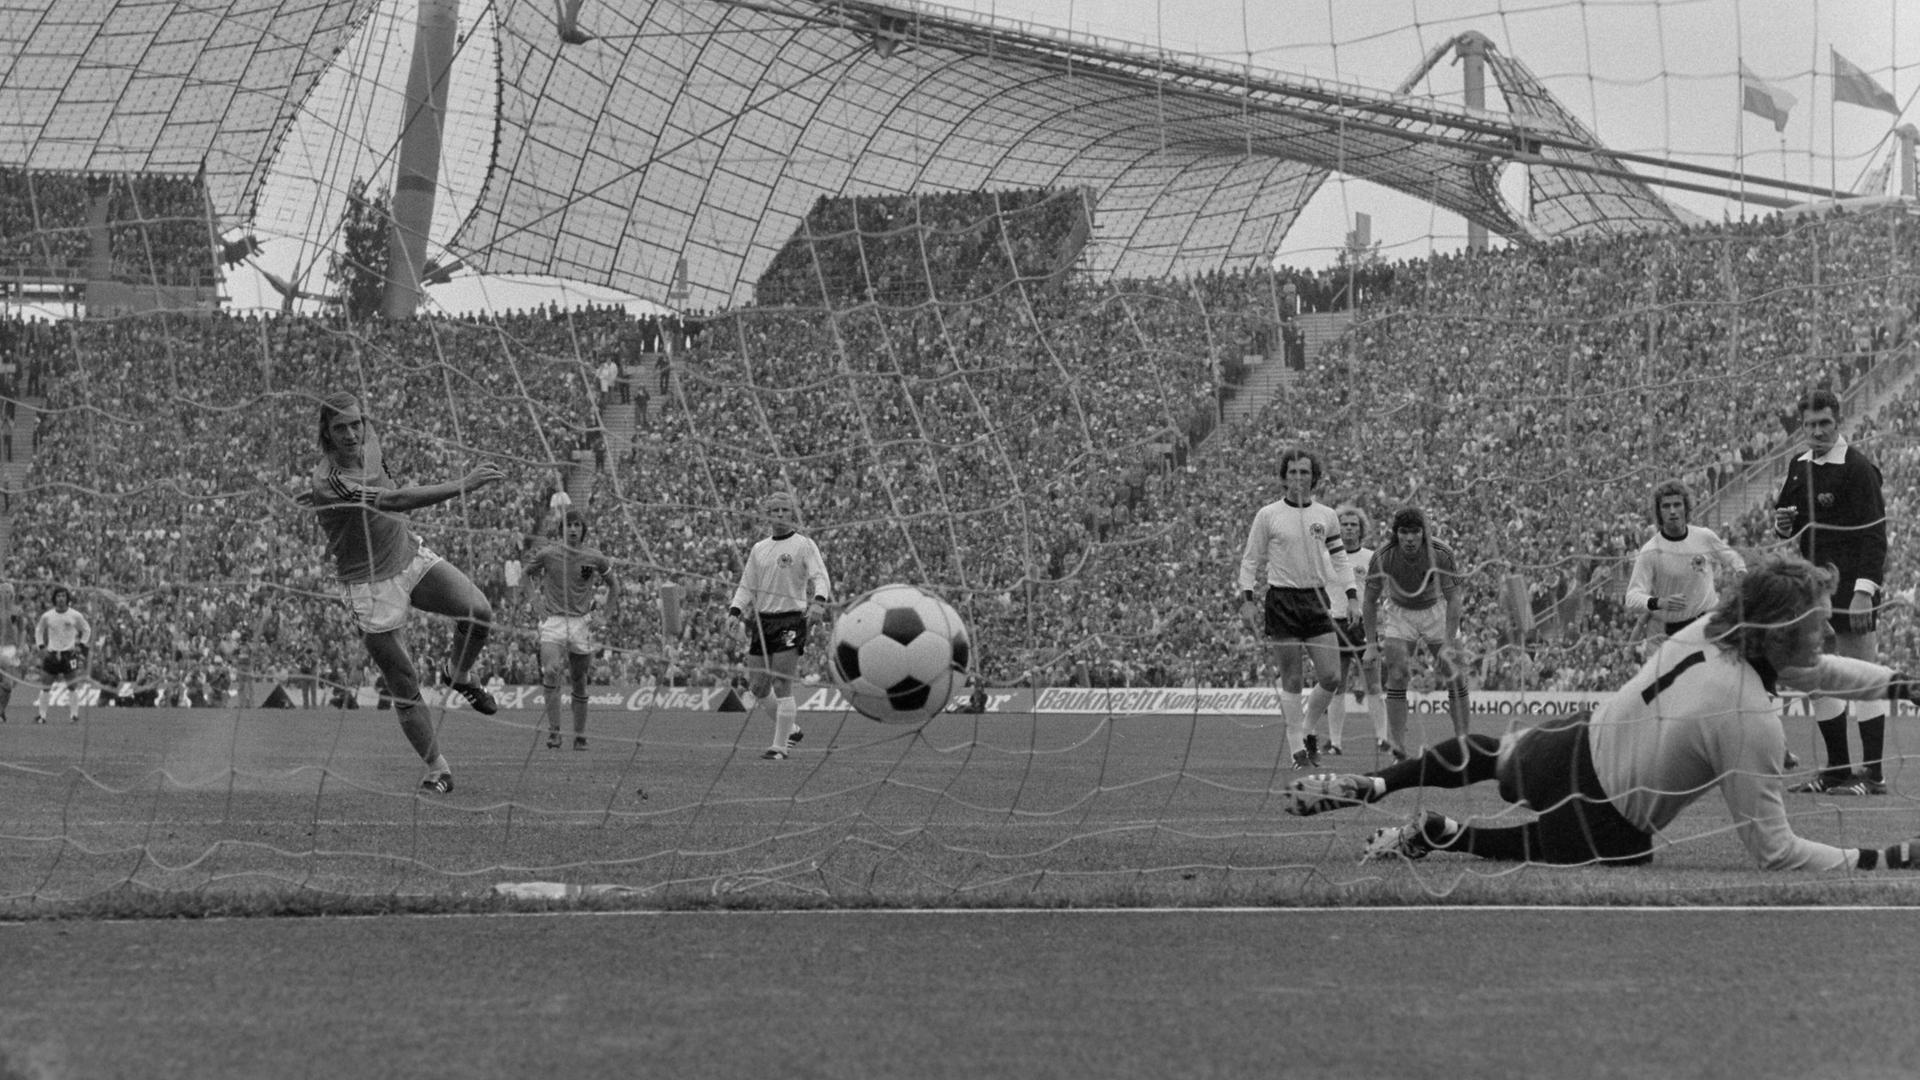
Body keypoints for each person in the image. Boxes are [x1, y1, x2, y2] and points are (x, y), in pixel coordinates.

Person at [1284, 556, 1920, 872]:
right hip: (1608, 818)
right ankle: (1443, 834)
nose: (1828, 635)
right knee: (1554, 849)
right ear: (1779, 634)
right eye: (1816, 625)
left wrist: (1899, 683)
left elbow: (1818, 672)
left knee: (1489, 754)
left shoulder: (1711, 629)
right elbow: (1775, 851)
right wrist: (1884, 858)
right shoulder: (1750, 715)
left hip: (1570, 741)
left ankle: (1377, 784)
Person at [297, 392, 505, 793]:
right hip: (369, 585)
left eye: (356, 423)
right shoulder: (330, 482)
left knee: (478, 611)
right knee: (404, 682)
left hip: (408, 555)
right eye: (340, 427)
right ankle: (438, 768)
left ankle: (458, 673)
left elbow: (382, 491)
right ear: (326, 432)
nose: (352, 433)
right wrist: (463, 484)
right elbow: (394, 499)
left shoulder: (370, 446)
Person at [1773, 387, 1889, 795]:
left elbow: (1876, 536)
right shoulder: (1797, 465)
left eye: (1824, 423)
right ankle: (1838, 770)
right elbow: (1787, 520)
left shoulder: (1858, 468)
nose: (1817, 431)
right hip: (1814, 592)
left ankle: (1874, 775)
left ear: (1837, 422)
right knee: (1820, 677)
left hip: (1852, 588)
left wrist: (1864, 591)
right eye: (1810, 425)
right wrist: (1781, 526)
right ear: (1802, 427)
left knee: (1865, 677)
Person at [1236, 448, 1355, 769]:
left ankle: (1306, 728)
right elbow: (1250, 560)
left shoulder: (1326, 515)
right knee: (1291, 678)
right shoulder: (1268, 514)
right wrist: (1246, 600)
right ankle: (1296, 751)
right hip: (1282, 600)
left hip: (1316, 601)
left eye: (1304, 472)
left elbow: (1340, 558)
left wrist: (1352, 594)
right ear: (1283, 477)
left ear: (1314, 477)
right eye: (1293, 472)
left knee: (1331, 676)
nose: (1299, 478)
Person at [730, 491, 832, 760]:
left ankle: (779, 747)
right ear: (766, 514)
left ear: (793, 513)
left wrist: (819, 602)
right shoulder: (759, 549)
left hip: (790, 619)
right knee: (759, 687)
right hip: (762, 622)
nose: (779, 515)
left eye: (784, 510)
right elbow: (746, 584)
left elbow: (820, 577)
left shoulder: (804, 545)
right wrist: (734, 611)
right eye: (774, 510)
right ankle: (792, 729)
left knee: (781, 682)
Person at [1362, 507, 1471, 743]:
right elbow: (1369, 601)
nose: (1409, 538)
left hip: (1436, 610)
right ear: (1396, 533)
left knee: (1455, 674)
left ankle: (1464, 742)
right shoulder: (1383, 557)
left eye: (1415, 532)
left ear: (1424, 533)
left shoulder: (1441, 552)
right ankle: (1398, 748)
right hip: (1400, 613)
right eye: (1403, 532)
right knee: (1397, 675)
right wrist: (1370, 644)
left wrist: (1449, 643)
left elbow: (1454, 599)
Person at [524, 507, 619, 750]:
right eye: (569, 525)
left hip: (581, 623)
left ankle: (580, 735)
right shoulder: (548, 553)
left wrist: (605, 615)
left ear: (583, 530)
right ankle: (554, 732)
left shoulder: (594, 557)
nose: (573, 529)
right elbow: (525, 575)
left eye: (577, 525)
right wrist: (535, 602)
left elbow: (614, 585)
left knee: (579, 679)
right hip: (554, 621)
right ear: (562, 529)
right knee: (551, 670)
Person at [1625, 479, 1746, 645]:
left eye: (1677, 504)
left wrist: (1741, 572)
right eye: (1666, 506)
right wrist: (1659, 602)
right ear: (1659, 512)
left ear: (1686, 507)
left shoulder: (1704, 536)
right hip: (1674, 632)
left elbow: (1732, 556)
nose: (1672, 511)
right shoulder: (1650, 550)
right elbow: (1631, 597)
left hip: (1709, 622)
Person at [1332, 503, 1391, 760]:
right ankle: (1335, 743)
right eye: (1344, 524)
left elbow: (1381, 594)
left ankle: (1383, 739)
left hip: (1365, 629)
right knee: (1336, 685)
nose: (1348, 529)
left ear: (1361, 529)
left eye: (1353, 525)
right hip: (1334, 625)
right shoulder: (1327, 557)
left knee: (1373, 685)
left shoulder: (1371, 558)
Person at [33, 585, 91, 724]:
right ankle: (42, 716)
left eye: (63, 596)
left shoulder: (75, 615)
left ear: (67, 598)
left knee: (72, 686)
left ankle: (74, 716)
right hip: (52, 654)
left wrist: (81, 646)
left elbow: (87, 629)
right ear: (54, 598)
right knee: (46, 686)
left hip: (69, 655)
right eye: (58, 596)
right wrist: (41, 647)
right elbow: (39, 630)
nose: (61, 599)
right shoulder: (47, 616)